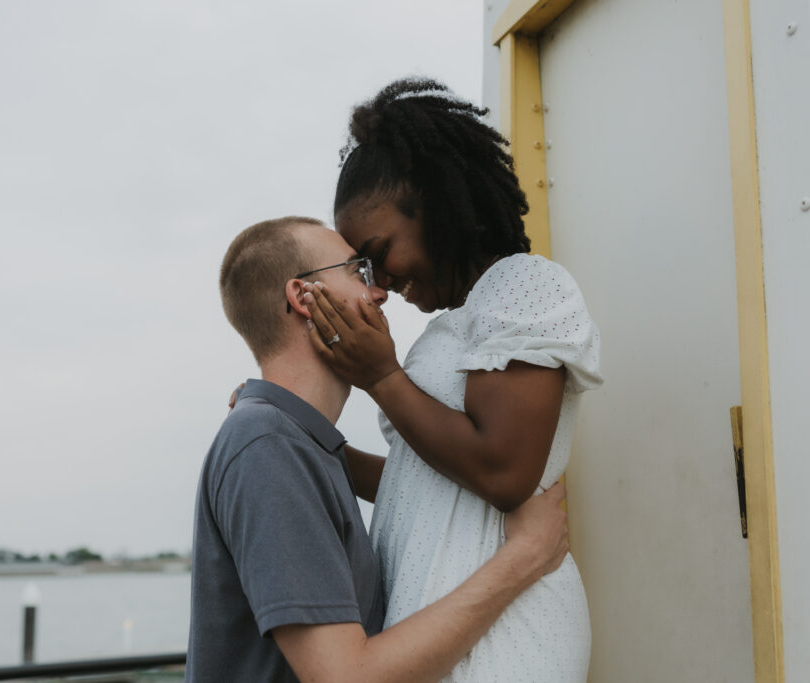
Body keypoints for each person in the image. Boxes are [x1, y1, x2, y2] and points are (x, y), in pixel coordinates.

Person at [301, 78, 603, 681]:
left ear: (436, 204)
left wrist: (382, 375)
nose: (379, 280)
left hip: (507, 643)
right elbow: (427, 482)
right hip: (448, 641)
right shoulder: (455, 325)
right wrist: (306, 443)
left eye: (379, 250)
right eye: (363, 266)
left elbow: (503, 471)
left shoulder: (523, 284)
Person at [187, 216, 571, 683]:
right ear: (303, 297)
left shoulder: (293, 443)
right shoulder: (269, 445)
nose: (380, 292)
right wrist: (524, 557)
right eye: (356, 272)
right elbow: (348, 676)